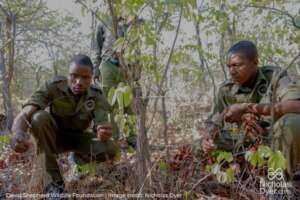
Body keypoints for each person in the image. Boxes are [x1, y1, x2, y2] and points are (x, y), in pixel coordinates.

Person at [10, 54, 119, 196]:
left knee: (111, 148)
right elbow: (26, 113)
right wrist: (18, 133)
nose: (78, 82)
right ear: (68, 75)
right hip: (53, 138)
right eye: (74, 76)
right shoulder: (53, 86)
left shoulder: (96, 95)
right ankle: (54, 186)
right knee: (38, 118)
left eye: (85, 78)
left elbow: (102, 125)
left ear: (92, 78)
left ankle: (77, 161)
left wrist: (103, 132)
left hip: (79, 139)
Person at [202, 40, 300, 180]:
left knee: (294, 123)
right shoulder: (226, 89)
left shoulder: (274, 76)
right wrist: (208, 138)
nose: (231, 71)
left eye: (237, 65)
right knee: (197, 146)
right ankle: (235, 177)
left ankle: (276, 184)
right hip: (242, 142)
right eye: (229, 66)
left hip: (273, 139)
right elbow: (212, 122)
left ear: (255, 62)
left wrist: (247, 107)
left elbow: (297, 106)